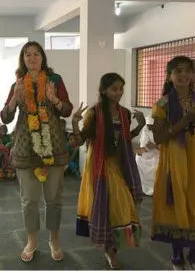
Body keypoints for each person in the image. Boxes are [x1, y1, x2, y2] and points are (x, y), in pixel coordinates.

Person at [0, 41, 73, 262]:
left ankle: (54, 239)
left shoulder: (55, 80)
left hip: (54, 146)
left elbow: (67, 110)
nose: (32, 58)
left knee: (54, 199)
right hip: (25, 147)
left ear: (43, 57)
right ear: (23, 59)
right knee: (29, 200)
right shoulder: (18, 83)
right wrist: (14, 99)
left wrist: (54, 100)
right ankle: (32, 240)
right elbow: (6, 117)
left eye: (36, 54)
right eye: (27, 55)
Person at [73, 73, 145, 268]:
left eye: (121, 88)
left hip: (119, 164)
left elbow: (124, 138)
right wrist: (74, 123)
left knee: (120, 205)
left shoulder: (124, 113)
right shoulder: (95, 113)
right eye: (114, 89)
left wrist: (141, 126)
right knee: (110, 207)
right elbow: (80, 140)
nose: (119, 92)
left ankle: (112, 249)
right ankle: (110, 252)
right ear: (104, 90)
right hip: (99, 166)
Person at [150, 56, 195, 269]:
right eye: (177, 71)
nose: (183, 75)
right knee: (176, 201)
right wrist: (184, 121)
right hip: (174, 161)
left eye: (187, 70)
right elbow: (159, 138)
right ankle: (177, 254)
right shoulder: (162, 104)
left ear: (193, 74)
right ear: (169, 76)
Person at [135, 115, 158, 196]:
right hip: (149, 151)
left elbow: (165, 146)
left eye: (151, 126)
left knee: (155, 163)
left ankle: (154, 186)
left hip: (159, 152)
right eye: (148, 126)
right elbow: (144, 146)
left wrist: (155, 146)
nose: (149, 128)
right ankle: (142, 185)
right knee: (138, 159)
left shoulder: (162, 129)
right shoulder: (146, 129)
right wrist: (140, 151)